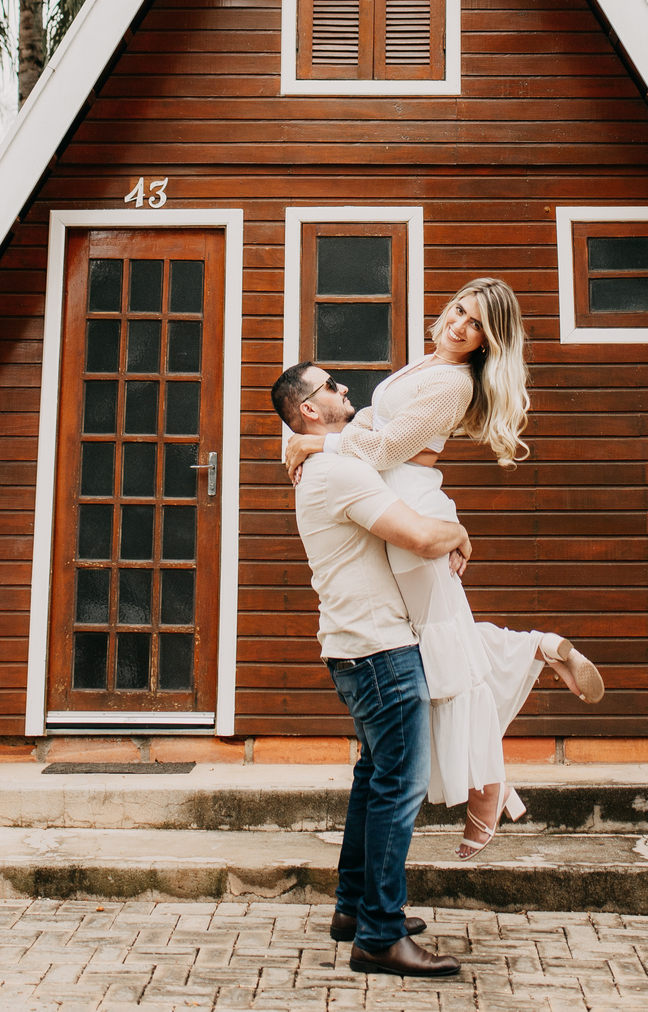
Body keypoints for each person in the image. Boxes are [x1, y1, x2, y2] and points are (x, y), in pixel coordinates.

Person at [284, 277, 604, 859]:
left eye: (477, 324)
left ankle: (488, 786)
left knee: (441, 647)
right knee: (441, 639)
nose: (460, 325)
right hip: (400, 498)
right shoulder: (426, 364)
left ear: (488, 341)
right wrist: (329, 439)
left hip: (409, 501)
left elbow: (387, 450)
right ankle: (537, 652)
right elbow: (372, 426)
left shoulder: (454, 382)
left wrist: (316, 445)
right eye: (460, 310)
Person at [272, 360, 466, 979]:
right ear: (309, 409)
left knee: (374, 777)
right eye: (331, 385)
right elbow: (420, 537)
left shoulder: (327, 465)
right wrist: (457, 530)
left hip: (355, 647)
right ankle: (380, 935)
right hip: (381, 650)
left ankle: (354, 909)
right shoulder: (338, 470)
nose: (345, 388)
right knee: (397, 788)